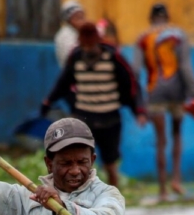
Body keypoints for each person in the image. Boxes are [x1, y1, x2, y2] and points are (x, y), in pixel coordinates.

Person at [42, 23, 146, 188]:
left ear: (98, 41)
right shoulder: (75, 58)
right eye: (85, 45)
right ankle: (82, 200)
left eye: (91, 45)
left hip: (110, 118)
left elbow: (131, 83)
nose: (88, 49)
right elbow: (63, 83)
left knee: (110, 163)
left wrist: (138, 110)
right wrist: (48, 102)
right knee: (81, 163)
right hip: (84, 120)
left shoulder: (113, 56)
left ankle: (113, 199)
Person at [133, 3, 194, 201]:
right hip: (177, 92)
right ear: (167, 16)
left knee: (160, 141)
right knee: (177, 136)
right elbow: (186, 66)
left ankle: (162, 191)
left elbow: (136, 71)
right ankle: (177, 180)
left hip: (155, 92)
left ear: (150, 18)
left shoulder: (142, 38)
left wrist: (137, 101)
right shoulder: (179, 35)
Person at [55, 0, 86, 69]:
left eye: (83, 17)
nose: (83, 21)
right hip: (71, 74)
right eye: (78, 18)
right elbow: (72, 56)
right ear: (69, 19)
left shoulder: (77, 32)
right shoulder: (65, 35)